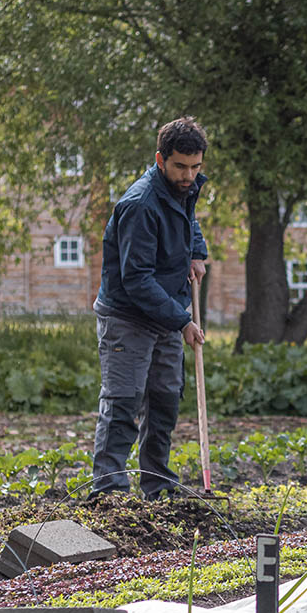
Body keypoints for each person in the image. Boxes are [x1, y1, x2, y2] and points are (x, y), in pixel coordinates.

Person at [90, 116, 209, 500]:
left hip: (166, 311)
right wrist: (183, 321)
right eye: (180, 166)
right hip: (128, 317)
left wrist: (196, 252)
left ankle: (158, 485)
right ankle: (108, 492)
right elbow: (136, 278)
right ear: (161, 159)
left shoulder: (183, 189)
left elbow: (187, 221)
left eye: (195, 166)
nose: (189, 175)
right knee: (123, 402)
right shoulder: (140, 204)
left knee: (164, 402)